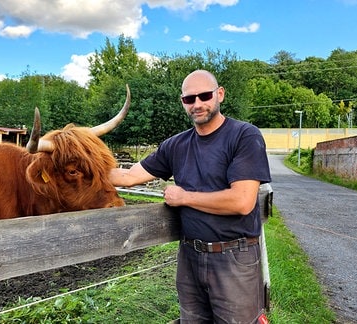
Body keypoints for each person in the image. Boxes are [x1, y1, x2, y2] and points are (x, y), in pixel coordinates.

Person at [110, 70, 271, 323]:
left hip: (234, 259)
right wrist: (74, 165)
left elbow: (242, 201)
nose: (197, 104)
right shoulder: (175, 145)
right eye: (189, 99)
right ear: (182, 102)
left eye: (204, 96)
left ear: (220, 95)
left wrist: (184, 197)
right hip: (190, 257)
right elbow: (129, 176)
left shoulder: (244, 136)